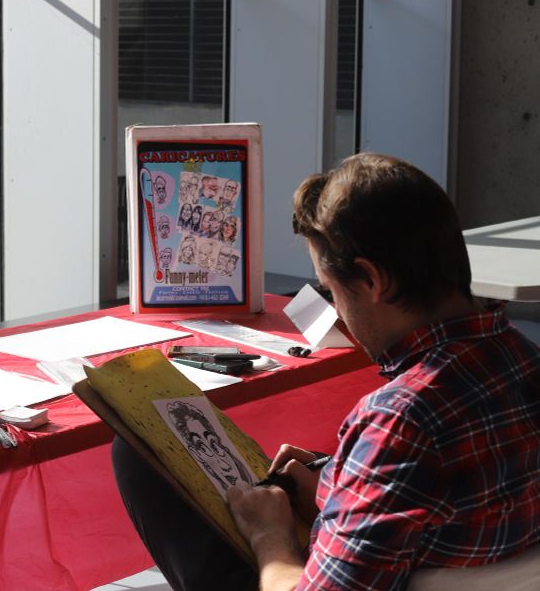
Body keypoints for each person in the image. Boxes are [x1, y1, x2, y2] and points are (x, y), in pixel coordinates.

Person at [112, 153, 540, 590]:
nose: (337, 311)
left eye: (332, 290)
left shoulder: (401, 420)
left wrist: (271, 537)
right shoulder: (524, 357)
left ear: (372, 281)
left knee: (137, 454)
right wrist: (335, 482)